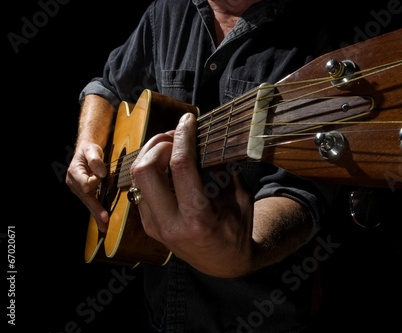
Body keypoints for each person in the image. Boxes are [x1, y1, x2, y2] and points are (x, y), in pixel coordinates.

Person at [66, 0, 337, 331]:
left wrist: (242, 251)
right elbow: (107, 87)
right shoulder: (166, 12)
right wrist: (88, 142)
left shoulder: (319, 34)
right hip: (158, 305)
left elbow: (303, 192)